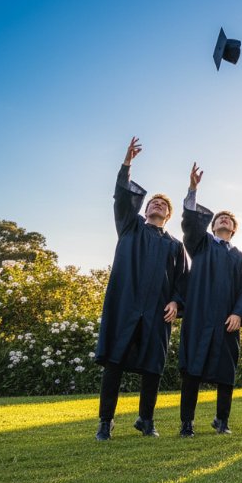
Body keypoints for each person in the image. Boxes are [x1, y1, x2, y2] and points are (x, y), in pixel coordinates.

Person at [95, 137, 187, 440]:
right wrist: (127, 165)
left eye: (163, 204)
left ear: (168, 215)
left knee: (153, 366)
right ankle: (105, 421)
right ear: (144, 209)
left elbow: (182, 280)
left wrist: (176, 302)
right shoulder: (130, 227)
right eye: (153, 202)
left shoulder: (175, 245)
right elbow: (121, 197)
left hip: (157, 310)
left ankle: (146, 420)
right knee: (115, 361)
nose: (157, 204)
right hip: (126, 304)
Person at [178, 163, 242, 437]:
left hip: (226, 320)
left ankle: (222, 421)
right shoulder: (201, 246)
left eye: (228, 220)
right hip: (199, 316)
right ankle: (187, 423)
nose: (223, 220)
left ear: (234, 229)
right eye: (219, 219)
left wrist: (238, 313)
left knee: (226, 371)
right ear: (211, 226)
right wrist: (192, 190)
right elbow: (189, 223)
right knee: (192, 371)